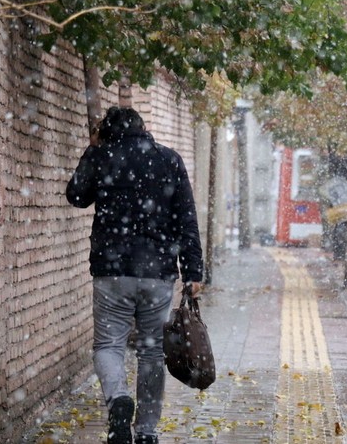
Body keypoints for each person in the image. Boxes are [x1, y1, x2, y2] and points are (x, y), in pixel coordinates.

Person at [66, 106, 203, 444]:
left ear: (107, 132)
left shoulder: (102, 156)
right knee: (152, 351)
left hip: (112, 272)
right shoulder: (169, 159)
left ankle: (118, 400)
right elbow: (187, 218)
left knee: (108, 345)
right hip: (157, 272)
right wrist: (193, 271)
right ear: (144, 128)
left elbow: (77, 196)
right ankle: (145, 432)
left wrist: (92, 147)